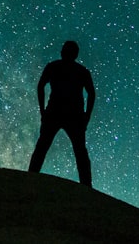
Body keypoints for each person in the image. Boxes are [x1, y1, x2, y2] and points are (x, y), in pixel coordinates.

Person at [27, 40, 95, 187]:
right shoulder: (79, 71)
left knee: (45, 147)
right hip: (69, 115)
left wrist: (43, 111)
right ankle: (87, 186)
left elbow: (40, 86)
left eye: (66, 50)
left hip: (60, 113)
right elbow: (91, 94)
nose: (64, 52)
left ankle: (31, 177)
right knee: (78, 151)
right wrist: (86, 116)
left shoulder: (55, 67)